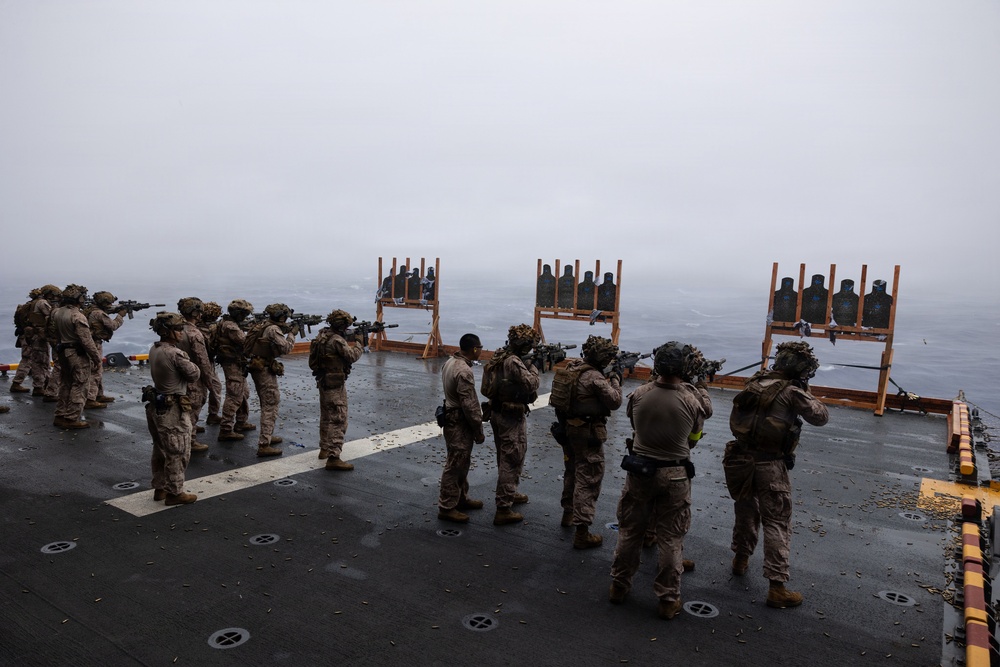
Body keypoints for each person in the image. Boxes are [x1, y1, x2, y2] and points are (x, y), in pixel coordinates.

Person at [608, 342, 713, 619]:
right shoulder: (692, 400)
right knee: (671, 538)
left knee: (630, 531)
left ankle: (619, 586)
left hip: (640, 471)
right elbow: (694, 438)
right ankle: (668, 600)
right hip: (675, 475)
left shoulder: (638, 394)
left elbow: (636, 426)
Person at [724, 341, 829, 609]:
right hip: (769, 463)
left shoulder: (755, 382)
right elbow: (820, 417)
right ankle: (777, 587)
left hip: (740, 459)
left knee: (746, 510)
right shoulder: (792, 391)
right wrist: (805, 389)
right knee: (776, 521)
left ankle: (740, 559)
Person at [554, 335, 622, 548]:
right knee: (589, 478)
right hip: (587, 433)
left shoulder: (574, 367)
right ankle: (582, 532)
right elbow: (615, 401)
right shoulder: (595, 378)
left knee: (572, 471)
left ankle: (568, 514)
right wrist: (615, 379)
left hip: (568, 429)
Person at [482, 324, 540, 526]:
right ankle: (503, 508)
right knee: (512, 458)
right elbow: (531, 384)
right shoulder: (514, 361)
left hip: (498, 412)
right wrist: (534, 366)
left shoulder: (501, 354)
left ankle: (510, 492)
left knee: (505, 456)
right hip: (510, 417)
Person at [145, 312, 201, 505]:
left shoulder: (155, 348)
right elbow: (194, 374)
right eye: (177, 329)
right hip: (172, 410)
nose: (181, 332)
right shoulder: (175, 353)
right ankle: (175, 493)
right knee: (178, 451)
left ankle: (160, 488)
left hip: (157, 406)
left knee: (160, 449)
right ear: (167, 331)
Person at [437, 333, 486, 523]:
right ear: (474, 349)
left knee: (461, 461)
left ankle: (461, 498)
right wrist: (478, 430)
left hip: (451, 418)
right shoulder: (464, 371)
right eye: (480, 347)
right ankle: (447, 507)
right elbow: (469, 405)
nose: (481, 350)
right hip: (459, 422)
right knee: (455, 464)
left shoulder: (450, 362)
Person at [308, 309, 364, 470]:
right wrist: (359, 343)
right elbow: (352, 356)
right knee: (339, 419)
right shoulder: (337, 340)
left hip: (323, 381)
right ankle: (334, 457)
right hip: (335, 385)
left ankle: (324, 449)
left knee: (326, 417)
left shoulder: (322, 336)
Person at [246, 303, 297, 457]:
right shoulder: (273, 329)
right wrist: (292, 334)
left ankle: (267, 435)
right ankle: (264, 444)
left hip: (259, 366)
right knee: (270, 404)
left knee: (266, 403)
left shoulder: (264, 325)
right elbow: (286, 348)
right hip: (264, 369)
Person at [50, 284, 102, 429]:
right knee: (80, 385)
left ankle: (60, 415)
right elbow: (87, 341)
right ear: (79, 299)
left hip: (63, 352)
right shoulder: (77, 316)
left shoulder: (57, 313)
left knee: (65, 384)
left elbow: (55, 334)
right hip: (76, 354)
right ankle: (72, 418)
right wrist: (96, 358)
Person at [214, 299, 255, 442]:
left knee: (243, 393)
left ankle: (241, 421)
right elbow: (246, 343)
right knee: (234, 396)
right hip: (232, 364)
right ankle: (226, 429)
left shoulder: (226, 322)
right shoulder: (231, 327)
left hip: (236, 363)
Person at [176, 298, 213, 453]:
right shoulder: (194, 333)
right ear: (195, 313)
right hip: (194, 377)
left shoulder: (176, 329)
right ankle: (190, 441)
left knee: (181, 409)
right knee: (193, 408)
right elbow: (202, 360)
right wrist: (209, 381)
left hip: (178, 377)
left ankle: (183, 437)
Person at [11, 285, 60, 398]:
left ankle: (38, 383)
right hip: (38, 336)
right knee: (40, 361)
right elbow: (52, 316)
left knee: (33, 360)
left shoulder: (32, 303)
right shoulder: (42, 303)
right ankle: (38, 387)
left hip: (29, 335)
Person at [84, 291, 126, 408]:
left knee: (98, 369)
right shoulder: (99, 313)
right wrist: (120, 316)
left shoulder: (91, 310)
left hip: (93, 343)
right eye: (108, 303)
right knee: (95, 370)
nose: (110, 305)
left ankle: (98, 394)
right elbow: (113, 325)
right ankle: (90, 399)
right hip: (94, 344)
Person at [198, 301, 224, 426]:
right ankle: (209, 416)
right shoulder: (203, 330)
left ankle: (211, 415)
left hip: (205, 361)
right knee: (205, 391)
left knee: (210, 389)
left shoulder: (198, 327)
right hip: (204, 362)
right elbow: (211, 346)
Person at [11, 288, 41, 394]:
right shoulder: (36, 307)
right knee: (27, 360)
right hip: (30, 336)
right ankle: (17, 383)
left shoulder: (26, 306)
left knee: (28, 359)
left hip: (24, 335)